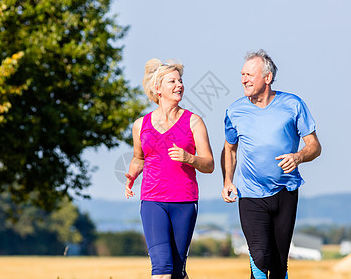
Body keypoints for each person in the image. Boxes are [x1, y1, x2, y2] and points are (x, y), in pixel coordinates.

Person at [221, 49, 321, 279]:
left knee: (278, 264)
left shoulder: (293, 104)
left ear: (267, 78)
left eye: (250, 74)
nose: (244, 79)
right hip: (251, 194)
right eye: (242, 74)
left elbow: (314, 146)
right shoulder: (235, 111)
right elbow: (230, 149)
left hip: (286, 192)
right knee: (260, 257)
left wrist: (298, 156)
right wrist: (227, 180)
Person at [125, 58, 214, 279]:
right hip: (153, 200)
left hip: (184, 201)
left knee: (176, 270)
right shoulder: (140, 125)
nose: (179, 85)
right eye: (172, 81)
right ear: (158, 89)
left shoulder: (194, 122)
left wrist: (189, 158)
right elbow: (138, 158)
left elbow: (209, 164)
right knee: (162, 269)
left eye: (180, 81)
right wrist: (131, 176)